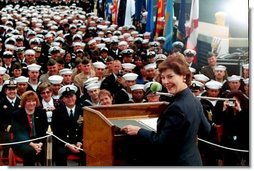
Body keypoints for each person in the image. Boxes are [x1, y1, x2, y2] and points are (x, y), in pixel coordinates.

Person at [121, 53, 211, 166]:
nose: (165, 82)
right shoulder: (193, 99)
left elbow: (161, 142)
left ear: (183, 75)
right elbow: (206, 130)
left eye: (170, 76)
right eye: (163, 77)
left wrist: (138, 130)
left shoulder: (177, 107)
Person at [11, 91, 48, 166]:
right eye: (28, 101)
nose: (31, 103)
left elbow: (45, 131)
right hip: (21, 142)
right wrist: (32, 145)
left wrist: (40, 144)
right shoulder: (17, 114)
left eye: (33, 101)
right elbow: (18, 133)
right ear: (24, 102)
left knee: (48, 150)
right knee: (30, 152)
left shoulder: (42, 112)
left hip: (39, 142)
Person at [52, 85, 86, 166]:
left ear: (75, 97)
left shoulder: (82, 111)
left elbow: (84, 129)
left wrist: (79, 142)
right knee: (60, 153)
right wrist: (67, 144)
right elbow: (56, 132)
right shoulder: (57, 112)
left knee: (88, 152)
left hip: (78, 142)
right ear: (63, 99)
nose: (70, 99)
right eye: (67, 97)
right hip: (64, 143)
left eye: (71, 96)